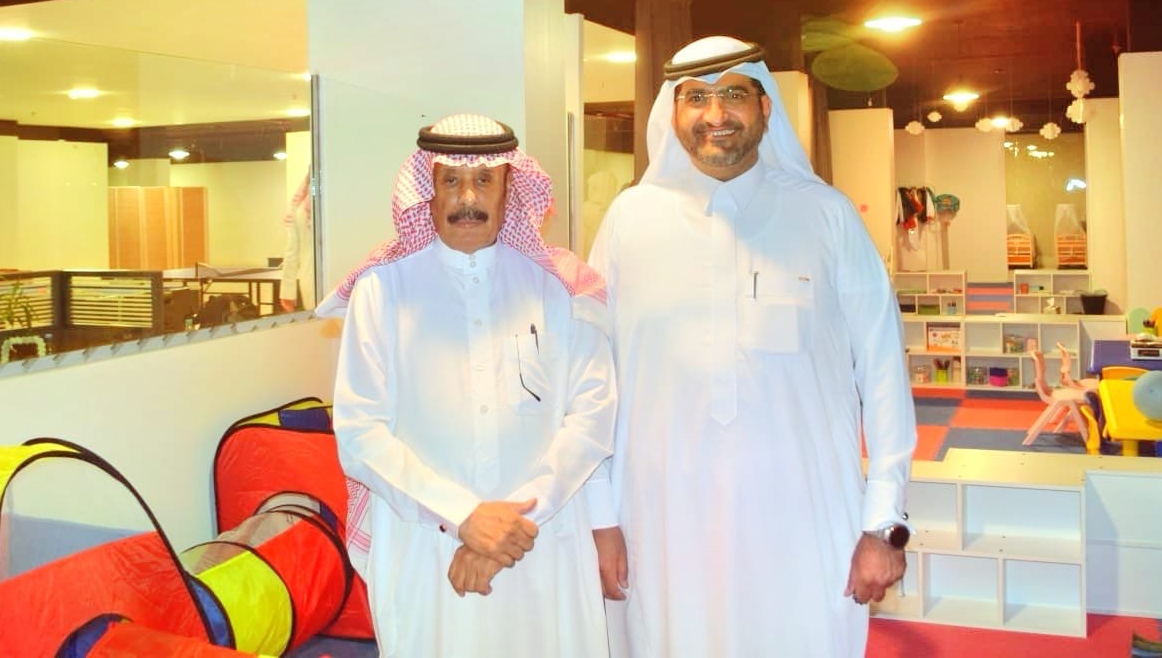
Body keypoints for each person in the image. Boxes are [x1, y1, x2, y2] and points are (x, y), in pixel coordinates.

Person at [586, 35, 917, 657]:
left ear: (766, 107)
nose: (715, 114)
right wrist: (599, 517)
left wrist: (884, 522)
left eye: (734, 94)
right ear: (672, 112)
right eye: (696, 98)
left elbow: (882, 373)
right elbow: (593, 380)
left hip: (804, 519)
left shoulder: (826, 216)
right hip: (659, 522)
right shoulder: (629, 221)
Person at [322, 113, 617, 658]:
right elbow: (360, 433)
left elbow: (592, 416)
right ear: (427, 193)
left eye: (484, 180)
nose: (467, 199)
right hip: (424, 545)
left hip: (542, 540)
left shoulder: (560, 287)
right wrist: (461, 516)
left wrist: (510, 527)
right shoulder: (383, 291)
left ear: (509, 190)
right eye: (450, 181)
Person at [279, 168, 314, 312]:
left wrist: (287, 291)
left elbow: (291, 253)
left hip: (310, 282)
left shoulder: (298, 209)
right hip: (342, 279)